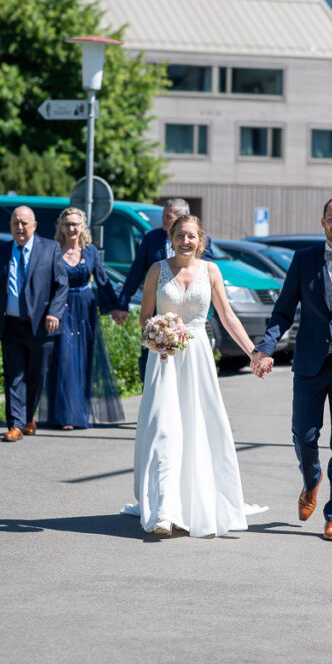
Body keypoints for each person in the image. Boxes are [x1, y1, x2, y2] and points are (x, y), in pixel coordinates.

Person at [121, 214, 266, 537]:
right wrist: (156, 334)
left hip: (197, 356)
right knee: (163, 429)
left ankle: (196, 502)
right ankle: (163, 511)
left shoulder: (211, 271)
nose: (186, 242)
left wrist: (252, 352)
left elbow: (227, 317)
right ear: (170, 239)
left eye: (192, 236)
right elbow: (145, 316)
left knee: (199, 427)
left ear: (201, 240)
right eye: (180, 236)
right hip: (165, 359)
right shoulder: (156, 270)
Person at [251, 196, 332, 542]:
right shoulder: (303, 260)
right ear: (322, 222)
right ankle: (312, 479)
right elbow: (282, 311)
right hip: (309, 363)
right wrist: (266, 347)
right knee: (303, 436)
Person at [0, 205, 68, 442]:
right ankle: (15, 424)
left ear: (34, 225)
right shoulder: (1, 252)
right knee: (14, 376)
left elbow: (61, 285)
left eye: (24, 223)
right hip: (11, 325)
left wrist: (54, 313)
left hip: (41, 325)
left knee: (36, 375)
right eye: (15, 223)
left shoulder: (50, 249)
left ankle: (29, 416)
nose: (19, 227)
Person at [39, 207, 123, 429]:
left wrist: (116, 307)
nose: (71, 228)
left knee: (82, 360)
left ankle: (80, 413)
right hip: (61, 309)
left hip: (85, 309)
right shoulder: (54, 250)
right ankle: (66, 416)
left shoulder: (90, 251)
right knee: (65, 360)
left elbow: (103, 281)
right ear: (61, 227)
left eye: (75, 224)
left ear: (82, 226)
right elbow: (45, 282)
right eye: (67, 224)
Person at [114, 198, 214, 381]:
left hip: (191, 320)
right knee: (152, 371)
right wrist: (123, 303)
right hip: (158, 316)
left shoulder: (198, 240)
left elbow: (206, 278)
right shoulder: (151, 238)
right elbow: (136, 273)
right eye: (163, 215)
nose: (163, 220)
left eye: (168, 216)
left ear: (181, 218)